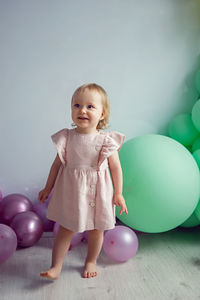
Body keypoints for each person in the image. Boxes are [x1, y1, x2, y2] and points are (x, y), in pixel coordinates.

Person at [38, 83, 128, 280]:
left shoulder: (106, 141)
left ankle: (91, 260)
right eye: (76, 105)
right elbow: (56, 165)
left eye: (90, 106)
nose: (82, 110)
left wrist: (118, 193)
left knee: (97, 230)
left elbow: (115, 168)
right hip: (73, 192)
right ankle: (56, 266)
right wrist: (48, 187)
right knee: (65, 229)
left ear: (102, 114)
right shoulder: (67, 137)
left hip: (99, 192)